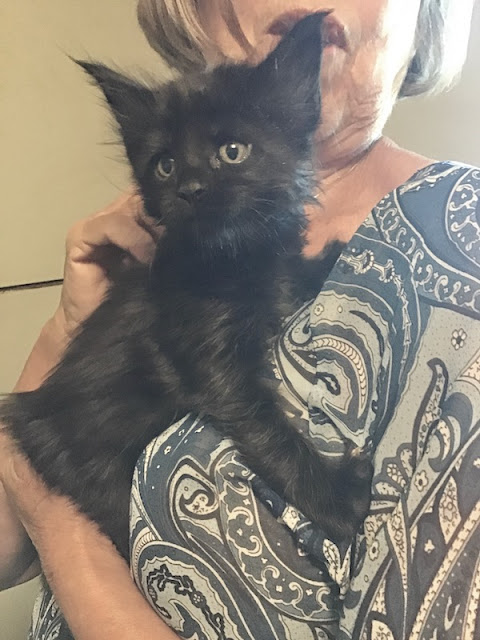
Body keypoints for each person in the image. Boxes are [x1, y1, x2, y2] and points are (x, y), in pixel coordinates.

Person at [1, 0, 479, 638]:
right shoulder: (185, 254)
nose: (192, 182)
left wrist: (54, 519)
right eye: (167, 167)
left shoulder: (460, 240)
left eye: (229, 150)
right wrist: (63, 327)